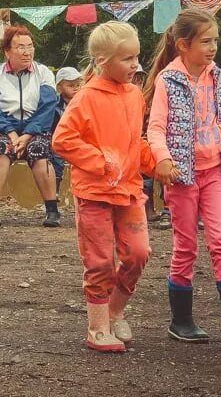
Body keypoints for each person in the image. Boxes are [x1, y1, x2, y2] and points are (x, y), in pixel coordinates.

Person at [53, 22, 163, 352]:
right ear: (103, 60)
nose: (135, 65)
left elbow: (135, 142)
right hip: (94, 194)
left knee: (139, 253)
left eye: (137, 57)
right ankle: (97, 327)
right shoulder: (85, 98)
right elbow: (63, 139)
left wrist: (159, 166)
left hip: (129, 190)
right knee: (99, 260)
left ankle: (115, 311)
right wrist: (100, 160)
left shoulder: (134, 96)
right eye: (127, 59)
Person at [145, 7, 221, 346]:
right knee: (186, 246)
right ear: (182, 45)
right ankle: (182, 321)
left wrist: (219, 131)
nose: (212, 48)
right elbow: (156, 128)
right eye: (205, 41)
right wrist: (162, 159)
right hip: (181, 177)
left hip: (216, 173)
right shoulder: (167, 80)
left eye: (215, 41)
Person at [0, 26, 60, 228]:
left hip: (37, 127)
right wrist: (11, 133)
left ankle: (52, 210)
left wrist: (28, 134)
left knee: (39, 151)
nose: (27, 52)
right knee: (0, 151)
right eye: (20, 47)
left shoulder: (43, 73)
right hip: (4, 127)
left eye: (30, 46)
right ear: (7, 51)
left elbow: (48, 107)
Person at [50, 66, 82, 198]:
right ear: (59, 88)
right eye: (70, 85)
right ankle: (55, 188)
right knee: (56, 156)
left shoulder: (83, 102)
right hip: (60, 140)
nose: (75, 88)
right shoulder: (54, 106)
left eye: (78, 84)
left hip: (79, 139)